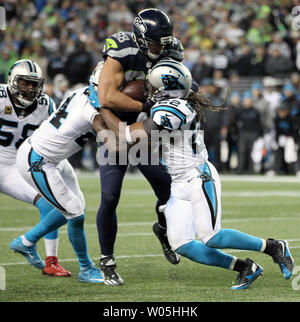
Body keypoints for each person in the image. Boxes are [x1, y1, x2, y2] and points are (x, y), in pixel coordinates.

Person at [96, 58, 294, 290]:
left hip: (198, 177)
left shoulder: (172, 109)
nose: (148, 89)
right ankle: (245, 268)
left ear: (167, 88)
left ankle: (274, 247)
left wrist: (101, 108)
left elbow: (124, 136)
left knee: (211, 237)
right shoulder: (178, 100)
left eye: (152, 85)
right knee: (181, 244)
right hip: (179, 183)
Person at [96, 8, 186, 286]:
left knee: (168, 189)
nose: (163, 45)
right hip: (113, 125)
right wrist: (145, 105)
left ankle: (163, 229)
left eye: (165, 39)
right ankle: (107, 259)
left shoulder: (172, 52)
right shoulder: (121, 50)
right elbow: (106, 98)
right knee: (110, 197)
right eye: (157, 40)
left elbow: (181, 86)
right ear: (141, 38)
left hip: (145, 129)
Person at [10, 62, 107, 284]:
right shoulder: (91, 109)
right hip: (38, 160)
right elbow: (111, 136)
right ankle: (85, 267)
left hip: (53, 158)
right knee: (74, 212)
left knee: (77, 207)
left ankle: (27, 242)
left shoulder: (79, 91)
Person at [1, 59, 71, 277]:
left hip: (16, 168)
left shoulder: (46, 104)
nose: (30, 88)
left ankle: (51, 260)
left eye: (34, 84)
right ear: (12, 81)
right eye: (24, 83)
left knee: (53, 206)